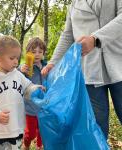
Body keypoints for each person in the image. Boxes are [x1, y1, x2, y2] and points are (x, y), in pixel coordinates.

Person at [41, 0, 122, 139]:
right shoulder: (74, 4)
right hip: (90, 72)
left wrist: (95, 39)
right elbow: (67, 35)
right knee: (97, 127)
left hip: (118, 64)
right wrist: (53, 63)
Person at [0, 35, 43, 150]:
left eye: (17, 58)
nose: (16, 62)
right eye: (12, 58)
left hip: (17, 129)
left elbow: (28, 87)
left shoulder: (17, 75)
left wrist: (36, 88)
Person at [19, 37, 46, 150]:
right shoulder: (26, 67)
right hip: (30, 106)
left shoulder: (46, 66)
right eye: (34, 52)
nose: (37, 54)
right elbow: (16, 78)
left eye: (40, 52)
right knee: (30, 132)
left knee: (42, 130)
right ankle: (26, 143)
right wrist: (20, 71)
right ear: (28, 53)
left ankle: (39, 146)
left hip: (44, 105)